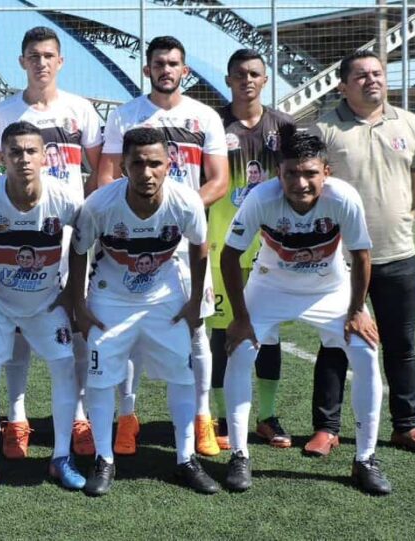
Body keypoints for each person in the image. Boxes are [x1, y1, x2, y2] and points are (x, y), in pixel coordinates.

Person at [220, 131, 391, 496]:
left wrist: (357, 310)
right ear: (278, 174)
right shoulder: (260, 198)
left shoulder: (343, 198)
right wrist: (241, 317)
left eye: (310, 173)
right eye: (291, 173)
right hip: (270, 286)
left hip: (329, 288)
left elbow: (361, 255)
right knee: (240, 351)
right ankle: (238, 454)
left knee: (365, 352)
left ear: (326, 171)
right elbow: (230, 254)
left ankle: (365, 459)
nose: (300, 183)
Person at [98, 36, 229, 458]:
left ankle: (202, 417)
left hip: (185, 241)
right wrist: (137, 214)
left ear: (184, 70)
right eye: (159, 63)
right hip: (133, 239)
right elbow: (105, 177)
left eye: (173, 63)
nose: (166, 70)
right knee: (129, 330)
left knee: (196, 328)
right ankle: (127, 416)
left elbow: (220, 180)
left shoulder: (205, 116)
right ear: (147, 69)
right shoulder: (125, 115)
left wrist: (177, 212)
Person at [311, 49, 415, 457]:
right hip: (342, 261)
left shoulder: (411, 124)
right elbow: (310, 190)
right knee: (336, 343)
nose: (372, 80)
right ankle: (326, 428)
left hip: (398, 253)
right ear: (343, 86)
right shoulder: (324, 130)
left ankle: (407, 425)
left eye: (377, 73)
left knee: (401, 344)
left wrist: (394, 214)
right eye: (361, 75)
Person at [72, 127, 217, 496]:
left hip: (164, 298)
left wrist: (194, 301)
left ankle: (186, 459)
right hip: (111, 300)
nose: (147, 172)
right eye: (137, 164)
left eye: (155, 163)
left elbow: (200, 246)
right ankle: (104, 459)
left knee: (182, 376)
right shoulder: (99, 204)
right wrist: (79, 305)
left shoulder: (186, 201)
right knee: (100, 379)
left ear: (169, 165)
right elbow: (78, 250)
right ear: (124, 166)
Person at [0, 26, 103, 460]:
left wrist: (87, 220)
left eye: (49, 55)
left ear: (60, 61)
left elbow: (101, 170)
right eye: (33, 56)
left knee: (75, 323)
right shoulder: (2, 113)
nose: (41, 63)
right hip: (19, 240)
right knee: (17, 326)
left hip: (67, 237)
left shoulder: (80, 109)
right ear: (22, 62)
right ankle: (17, 418)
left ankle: (79, 416)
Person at [0, 121, 85, 494]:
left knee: (64, 368)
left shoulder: (64, 198)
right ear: (2, 158)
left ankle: (61, 457)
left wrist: (72, 293)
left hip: (46, 302)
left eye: (31, 151)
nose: (24, 159)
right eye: (15, 152)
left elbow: (84, 241)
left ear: (45, 156)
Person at [208, 49, 306, 451]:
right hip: (222, 244)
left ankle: (267, 416)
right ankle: (220, 417)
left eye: (254, 74)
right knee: (220, 331)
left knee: (268, 331)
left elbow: (299, 180)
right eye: (239, 74)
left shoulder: (284, 126)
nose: (246, 80)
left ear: (265, 80)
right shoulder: (213, 124)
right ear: (228, 80)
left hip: (270, 245)